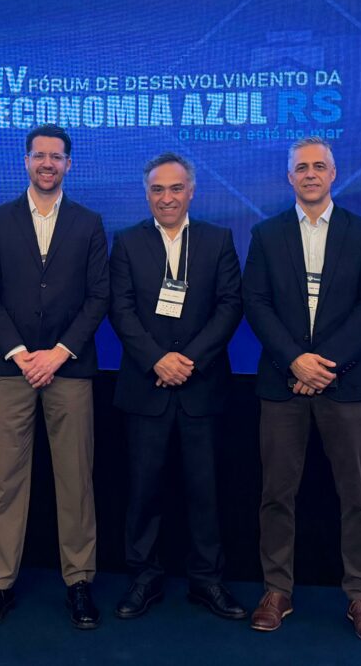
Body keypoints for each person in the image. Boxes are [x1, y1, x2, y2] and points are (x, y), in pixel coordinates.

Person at [242, 136, 361, 640]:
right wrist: (295, 360)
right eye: (301, 167)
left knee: (358, 496)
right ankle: (276, 590)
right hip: (282, 383)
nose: (310, 174)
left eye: (319, 166)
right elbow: (256, 303)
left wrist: (324, 365)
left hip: (345, 384)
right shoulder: (266, 234)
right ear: (290, 177)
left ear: (333, 174)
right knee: (276, 494)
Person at [0, 124, 109, 630]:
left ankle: (79, 582)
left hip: (69, 368)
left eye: (56, 156)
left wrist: (58, 353)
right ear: (25, 161)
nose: (47, 163)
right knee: (3, 481)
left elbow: (99, 295)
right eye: (39, 156)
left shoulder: (89, 223)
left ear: (69, 164)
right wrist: (21, 353)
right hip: (9, 367)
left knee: (76, 480)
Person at [108, 153, 246, 620]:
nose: (166, 198)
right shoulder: (127, 242)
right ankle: (143, 577)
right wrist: (157, 360)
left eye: (175, 188)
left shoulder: (217, 240)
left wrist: (189, 361)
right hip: (145, 387)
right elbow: (120, 309)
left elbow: (230, 305)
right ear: (146, 193)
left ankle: (207, 580)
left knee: (205, 491)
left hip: (201, 387)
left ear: (191, 191)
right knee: (143, 490)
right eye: (157, 189)